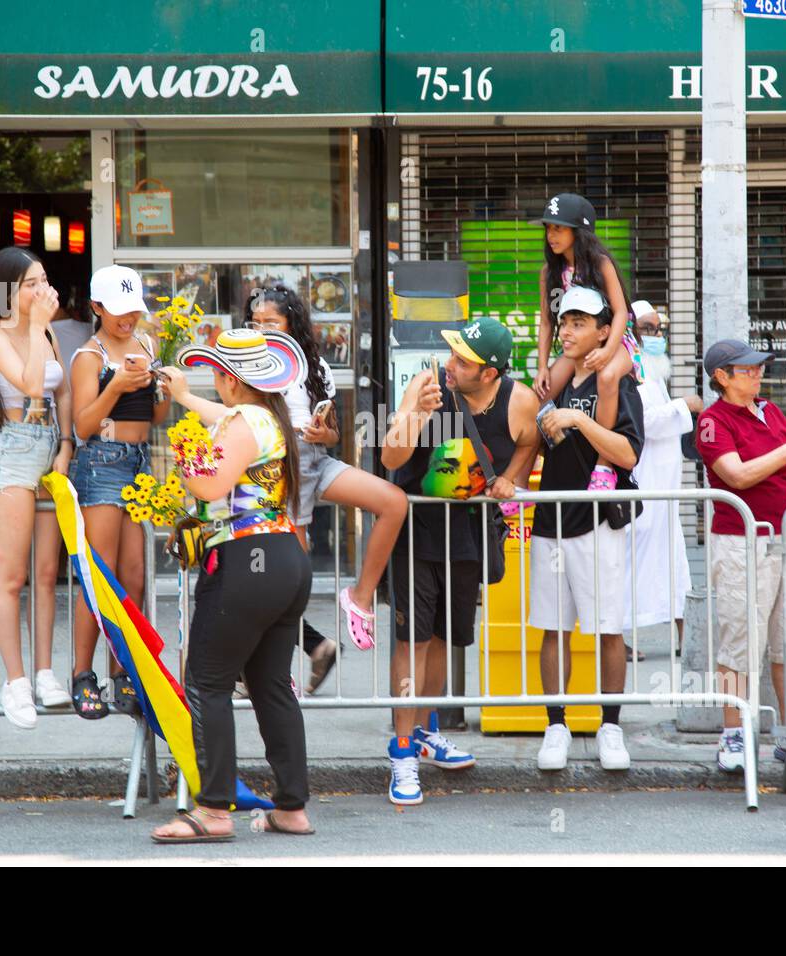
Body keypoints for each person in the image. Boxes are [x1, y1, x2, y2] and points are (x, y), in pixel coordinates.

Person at [151, 328, 314, 842]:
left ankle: (214, 810)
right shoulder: (270, 419)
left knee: (208, 681)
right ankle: (292, 807)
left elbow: (206, 483)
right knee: (271, 687)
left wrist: (179, 436)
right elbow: (221, 417)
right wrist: (182, 396)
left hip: (247, 563)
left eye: (218, 375)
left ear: (230, 378)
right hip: (284, 557)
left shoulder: (245, 421)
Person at [381, 316, 541, 805]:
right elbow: (390, 458)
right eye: (451, 354)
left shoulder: (519, 400)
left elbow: (531, 441)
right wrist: (414, 411)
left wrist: (510, 477)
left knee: (444, 639)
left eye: (462, 361)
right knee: (412, 640)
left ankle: (426, 732)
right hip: (416, 532)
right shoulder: (427, 386)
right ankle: (402, 750)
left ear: (489, 373)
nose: (450, 365)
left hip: (467, 538)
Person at [247, 284, 407, 691]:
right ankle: (272, 671)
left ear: (291, 323)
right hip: (280, 468)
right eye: (256, 322)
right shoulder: (248, 364)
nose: (263, 329)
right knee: (290, 581)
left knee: (393, 502)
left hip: (317, 461)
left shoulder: (315, 365)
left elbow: (334, 435)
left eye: (272, 322)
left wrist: (323, 434)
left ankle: (360, 596)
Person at [695, 338, 786, 774]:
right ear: (721, 377)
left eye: (759, 368)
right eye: (747, 369)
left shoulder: (770, 411)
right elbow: (736, 475)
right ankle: (734, 734)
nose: (758, 374)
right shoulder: (712, 420)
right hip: (743, 539)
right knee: (740, 637)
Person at [529, 287, 645, 772]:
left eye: (583, 322)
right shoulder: (551, 382)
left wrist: (578, 419)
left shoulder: (618, 380)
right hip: (551, 519)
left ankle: (610, 727)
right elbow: (529, 443)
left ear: (605, 331)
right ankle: (556, 725)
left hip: (598, 523)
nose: (571, 330)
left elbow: (628, 453)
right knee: (553, 628)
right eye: (566, 322)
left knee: (606, 628)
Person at [0, 248, 75, 729]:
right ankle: (15, 682)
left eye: (44, 281)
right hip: (13, 453)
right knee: (11, 577)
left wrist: (67, 446)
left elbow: (64, 391)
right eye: (30, 283)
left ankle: (44, 672)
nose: (40, 291)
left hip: (49, 448)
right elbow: (32, 385)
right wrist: (35, 326)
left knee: (48, 571)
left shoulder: (49, 329)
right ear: (8, 288)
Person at [67, 265, 171, 719]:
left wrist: (160, 384)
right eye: (117, 311)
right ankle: (81, 673)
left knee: (134, 575)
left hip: (140, 461)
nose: (127, 319)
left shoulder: (148, 345)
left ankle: (123, 670)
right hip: (101, 461)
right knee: (99, 576)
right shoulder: (89, 356)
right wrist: (119, 385)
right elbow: (84, 425)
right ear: (96, 308)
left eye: (133, 310)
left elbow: (159, 415)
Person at [532, 192, 637, 494]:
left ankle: (604, 467)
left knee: (606, 377)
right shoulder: (549, 272)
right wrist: (541, 366)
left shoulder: (600, 263)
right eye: (548, 228)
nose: (551, 235)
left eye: (559, 228)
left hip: (618, 341)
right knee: (541, 391)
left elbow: (621, 314)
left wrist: (606, 351)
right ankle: (524, 475)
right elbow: (547, 322)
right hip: (578, 346)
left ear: (579, 232)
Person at [622, 300, 700, 656]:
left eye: (658, 329)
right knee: (630, 563)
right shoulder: (629, 372)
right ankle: (620, 639)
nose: (656, 336)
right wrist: (687, 406)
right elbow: (645, 422)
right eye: (648, 329)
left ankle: (687, 637)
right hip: (643, 484)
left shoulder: (652, 371)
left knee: (674, 565)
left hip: (666, 488)